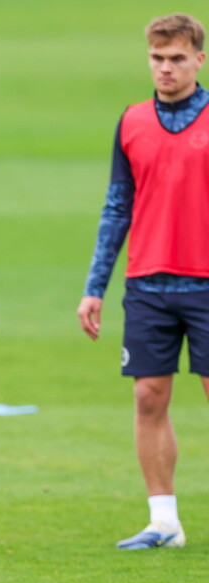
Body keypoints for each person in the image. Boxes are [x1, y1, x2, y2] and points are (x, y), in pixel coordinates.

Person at [77, 14, 209, 551]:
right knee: (149, 400)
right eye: (158, 58)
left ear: (198, 59)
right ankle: (164, 522)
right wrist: (95, 286)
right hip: (149, 283)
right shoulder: (131, 121)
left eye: (177, 58)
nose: (166, 68)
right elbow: (117, 208)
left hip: (205, 283)